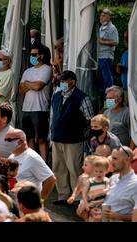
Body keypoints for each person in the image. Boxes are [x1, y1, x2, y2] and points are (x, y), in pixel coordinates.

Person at [51, 70, 94, 204]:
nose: (62, 82)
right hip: (57, 137)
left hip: (74, 139)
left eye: (65, 80)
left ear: (72, 82)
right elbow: (53, 117)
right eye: (61, 80)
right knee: (58, 168)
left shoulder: (82, 97)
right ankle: (63, 196)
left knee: (74, 168)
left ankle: (79, 198)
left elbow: (90, 119)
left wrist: (75, 125)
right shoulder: (57, 96)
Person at [19, 44, 52, 162]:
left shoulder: (47, 69)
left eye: (34, 55)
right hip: (27, 108)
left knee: (42, 139)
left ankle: (44, 164)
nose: (31, 57)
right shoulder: (27, 71)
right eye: (31, 54)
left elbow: (38, 86)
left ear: (41, 56)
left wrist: (27, 83)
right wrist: (31, 84)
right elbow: (21, 89)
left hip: (40, 108)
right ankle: (32, 163)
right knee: (30, 139)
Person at [6, 129, 56, 201]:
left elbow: (51, 179)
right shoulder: (12, 156)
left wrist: (39, 201)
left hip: (28, 204)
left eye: (9, 140)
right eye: (5, 140)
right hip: (15, 202)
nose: (5, 142)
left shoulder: (32, 157)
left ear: (20, 141)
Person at [102, 146, 137, 222]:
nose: (111, 162)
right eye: (111, 158)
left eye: (115, 159)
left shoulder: (135, 184)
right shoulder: (112, 178)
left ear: (127, 160)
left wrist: (119, 216)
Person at [98, 8, 119, 100]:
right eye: (101, 15)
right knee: (102, 82)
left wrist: (102, 42)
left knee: (108, 81)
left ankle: (110, 105)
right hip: (100, 56)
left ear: (109, 17)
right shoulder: (101, 27)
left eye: (104, 15)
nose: (101, 17)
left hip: (106, 57)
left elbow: (116, 42)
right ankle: (104, 104)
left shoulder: (112, 28)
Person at [81, 156, 110, 222]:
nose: (98, 173)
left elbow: (108, 189)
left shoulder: (107, 181)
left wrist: (98, 193)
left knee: (103, 219)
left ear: (106, 171)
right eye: (96, 171)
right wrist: (86, 204)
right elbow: (84, 193)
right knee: (92, 219)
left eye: (101, 171)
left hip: (103, 204)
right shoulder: (90, 181)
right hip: (92, 204)